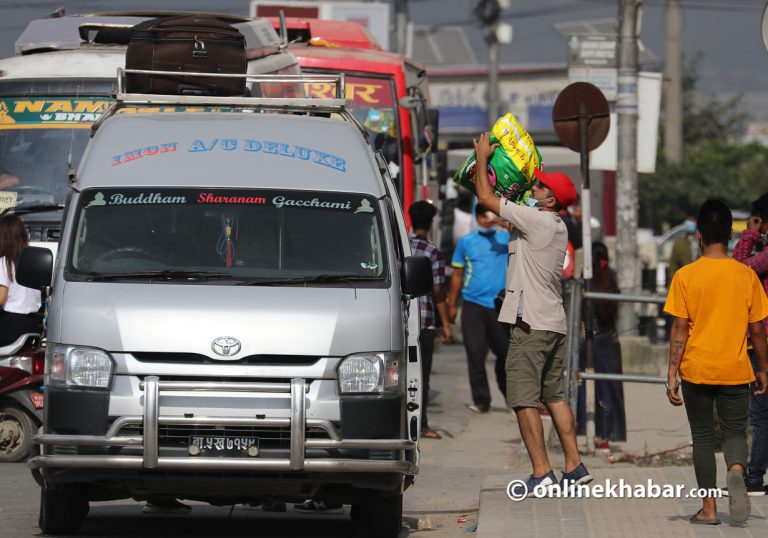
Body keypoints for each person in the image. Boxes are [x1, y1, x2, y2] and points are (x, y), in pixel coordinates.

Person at [472, 132, 591, 494]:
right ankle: (574, 465)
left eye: (539, 187)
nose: (534, 189)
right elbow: (508, 218)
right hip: (552, 322)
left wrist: (481, 158)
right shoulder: (554, 226)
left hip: (531, 324)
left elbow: (484, 197)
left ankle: (542, 472)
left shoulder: (538, 221)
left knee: (524, 399)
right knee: (554, 396)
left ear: (551, 199)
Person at [664, 199, 768, 525]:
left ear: (698, 235)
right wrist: (763, 368)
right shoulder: (745, 275)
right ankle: (736, 470)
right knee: (736, 431)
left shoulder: (685, 276)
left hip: (697, 368)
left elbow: (680, 327)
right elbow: (758, 330)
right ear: (730, 234)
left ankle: (709, 510)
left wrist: (671, 372)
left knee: (704, 437)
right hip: (736, 369)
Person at [447, 203, 509, 413]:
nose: (486, 220)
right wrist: (452, 305)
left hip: (499, 305)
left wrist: (499, 220)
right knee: (475, 353)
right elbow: (457, 274)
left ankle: (511, 394)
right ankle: (482, 400)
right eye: (482, 216)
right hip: (472, 304)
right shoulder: (466, 242)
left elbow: (521, 230)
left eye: (488, 216)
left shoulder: (504, 238)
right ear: (476, 218)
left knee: (506, 353)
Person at [733, 192, 768, 496]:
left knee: (760, 414)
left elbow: (740, 271)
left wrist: (749, 234)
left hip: (764, 343)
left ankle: (755, 476)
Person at [576, 242, 627, 448]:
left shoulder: (583, 281)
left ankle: (588, 431)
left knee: (588, 387)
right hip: (608, 340)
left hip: (587, 339)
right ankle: (607, 435)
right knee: (609, 388)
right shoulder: (611, 278)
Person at [409, 200, 453, 439]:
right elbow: (438, 292)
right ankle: (421, 424)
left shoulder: (399, 245)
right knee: (422, 376)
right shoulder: (433, 252)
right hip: (424, 321)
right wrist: (445, 325)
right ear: (432, 222)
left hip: (400, 321)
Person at [0, 214, 41, 346]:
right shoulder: (33, 262)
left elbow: (1, 298)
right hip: (32, 324)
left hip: (11, 325)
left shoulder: (4, 262)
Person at [668, 209, 699, 282]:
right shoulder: (679, 243)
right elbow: (673, 267)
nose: (688, 223)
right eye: (687, 220)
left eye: (691, 220)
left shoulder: (706, 242)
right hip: (684, 284)